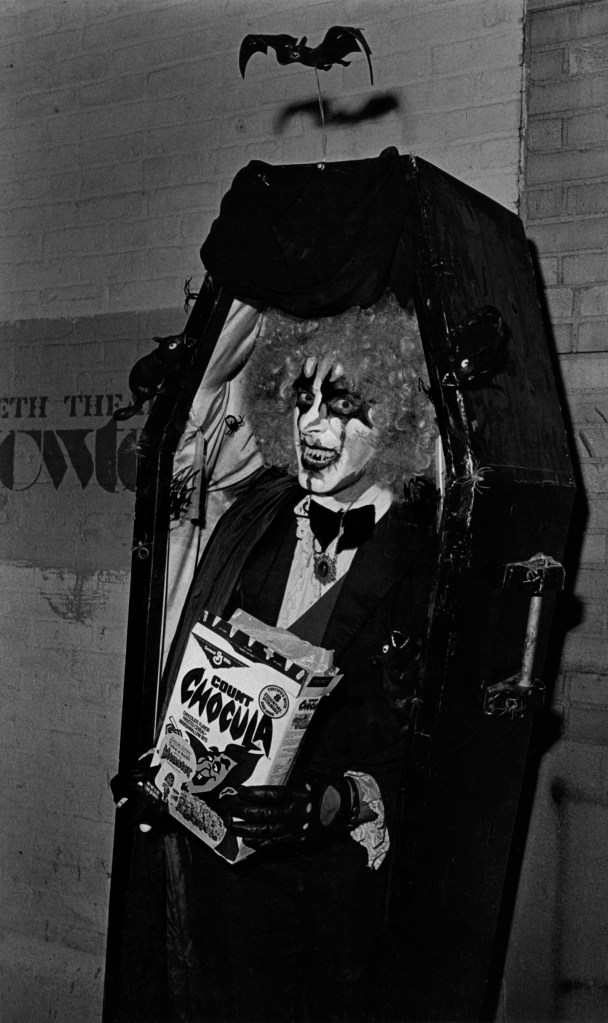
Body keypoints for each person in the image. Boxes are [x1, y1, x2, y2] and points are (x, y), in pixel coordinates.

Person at [114, 294, 440, 1022]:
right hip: (229, 893)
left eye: (343, 402)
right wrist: (165, 772)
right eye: (303, 398)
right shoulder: (251, 525)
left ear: (396, 415)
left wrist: (334, 801)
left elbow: (447, 756)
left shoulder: (433, 557)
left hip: (342, 904)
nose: (312, 425)